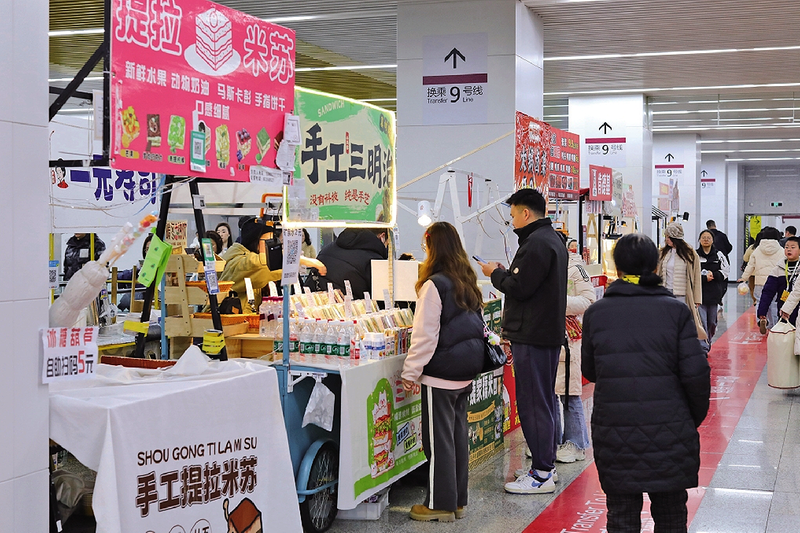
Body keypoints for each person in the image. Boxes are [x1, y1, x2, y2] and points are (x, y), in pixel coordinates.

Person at [582, 233, 710, 533]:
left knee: (621, 516)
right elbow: (696, 376)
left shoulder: (596, 313)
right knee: (671, 514)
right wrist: (687, 421)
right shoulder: (676, 311)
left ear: (618, 268)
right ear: (655, 267)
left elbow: (591, 371)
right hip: (670, 430)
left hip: (614, 429)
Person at [479, 188, 567, 495]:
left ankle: (541, 473)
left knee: (533, 403)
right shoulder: (551, 239)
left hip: (533, 335)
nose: (512, 220)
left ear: (525, 213)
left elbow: (520, 287)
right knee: (543, 401)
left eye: (513, 214)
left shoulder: (537, 243)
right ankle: (545, 466)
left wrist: (495, 274)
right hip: (543, 334)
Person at [401, 222, 485, 522]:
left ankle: (440, 504)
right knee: (457, 436)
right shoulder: (467, 280)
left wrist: (410, 372)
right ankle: (457, 500)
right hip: (467, 369)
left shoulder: (434, 285)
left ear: (431, 247)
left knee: (438, 441)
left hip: (441, 372)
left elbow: (425, 335)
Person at [219, 217, 326, 310]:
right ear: (254, 241)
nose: (271, 245)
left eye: (273, 240)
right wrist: (300, 259)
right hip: (231, 319)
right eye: (267, 241)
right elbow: (259, 264)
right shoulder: (238, 260)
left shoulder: (247, 256)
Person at [554, 238, 595, 463]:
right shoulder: (547, 265)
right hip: (546, 336)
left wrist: (558, 302)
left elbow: (589, 300)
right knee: (550, 392)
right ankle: (552, 440)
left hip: (568, 338)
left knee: (569, 392)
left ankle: (576, 442)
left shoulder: (576, 269)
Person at [657, 222, 706, 342]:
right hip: (665, 293)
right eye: (666, 236)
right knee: (667, 322)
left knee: (682, 322)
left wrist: (697, 298)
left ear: (675, 238)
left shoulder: (690, 253)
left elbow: (696, 276)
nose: (666, 239)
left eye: (669, 237)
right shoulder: (663, 253)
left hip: (683, 295)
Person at [311, 228, 389, 299]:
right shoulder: (376, 260)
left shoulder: (328, 248)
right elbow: (382, 300)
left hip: (312, 303)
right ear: (382, 236)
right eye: (387, 243)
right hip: (351, 307)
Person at [741, 226, 784, 331]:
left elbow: (750, 265)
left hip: (760, 282)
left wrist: (744, 278)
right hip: (775, 281)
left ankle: (761, 319)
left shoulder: (757, 250)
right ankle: (773, 325)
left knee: (760, 301)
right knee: (773, 303)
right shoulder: (781, 250)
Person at [696, 229, 730, 349]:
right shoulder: (695, 255)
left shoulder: (719, 255)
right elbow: (690, 272)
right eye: (703, 237)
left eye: (708, 238)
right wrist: (703, 278)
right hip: (700, 294)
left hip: (714, 294)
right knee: (702, 321)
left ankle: (708, 340)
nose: (706, 240)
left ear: (712, 240)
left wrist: (714, 275)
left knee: (712, 322)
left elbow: (726, 271)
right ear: (699, 240)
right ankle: (703, 346)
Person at [758, 236, 800, 329]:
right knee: (784, 334)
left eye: (793, 247)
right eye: (786, 247)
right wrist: (762, 311)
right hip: (783, 309)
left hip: (798, 308)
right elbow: (768, 292)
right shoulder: (778, 269)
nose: (789, 249)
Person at [117, 234, 153, 311]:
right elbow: (122, 277)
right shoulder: (140, 267)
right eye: (147, 249)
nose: (149, 253)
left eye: (152, 249)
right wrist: (137, 269)